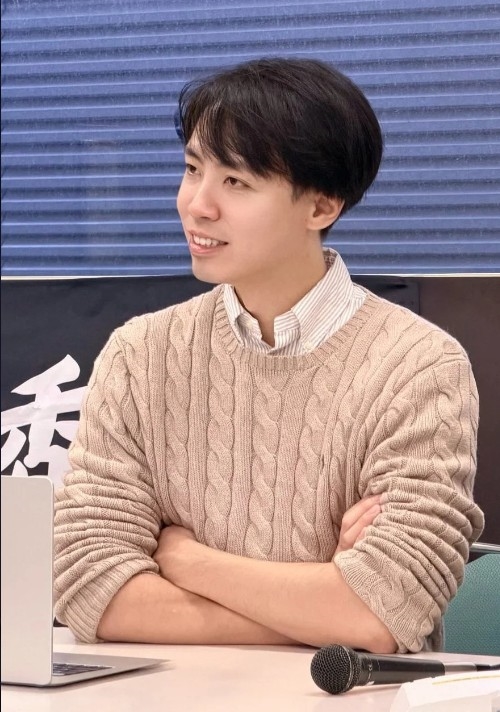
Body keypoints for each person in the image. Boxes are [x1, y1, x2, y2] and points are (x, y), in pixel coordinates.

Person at [54, 57, 484, 654]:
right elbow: (88, 587)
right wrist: (322, 605)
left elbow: (387, 610)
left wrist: (185, 559)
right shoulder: (141, 355)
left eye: (236, 182)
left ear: (321, 207)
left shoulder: (419, 367)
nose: (197, 204)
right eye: (193, 169)